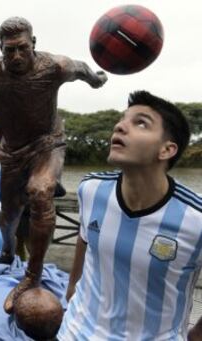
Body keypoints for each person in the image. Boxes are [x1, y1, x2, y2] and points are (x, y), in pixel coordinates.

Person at [0, 16, 107, 313]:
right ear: (0, 49)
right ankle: (7, 250)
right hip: (12, 152)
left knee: (40, 192)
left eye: (22, 48)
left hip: (47, 143)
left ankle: (32, 275)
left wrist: (97, 79)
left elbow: (82, 69)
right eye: (8, 50)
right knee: (10, 214)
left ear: (34, 44)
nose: (15, 56)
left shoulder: (55, 66)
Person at [58, 90, 202, 340]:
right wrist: (71, 291)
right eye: (123, 119)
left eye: (141, 123)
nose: (120, 126)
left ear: (166, 150)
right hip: (75, 332)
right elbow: (85, 239)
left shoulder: (195, 218)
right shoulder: (91, 189)